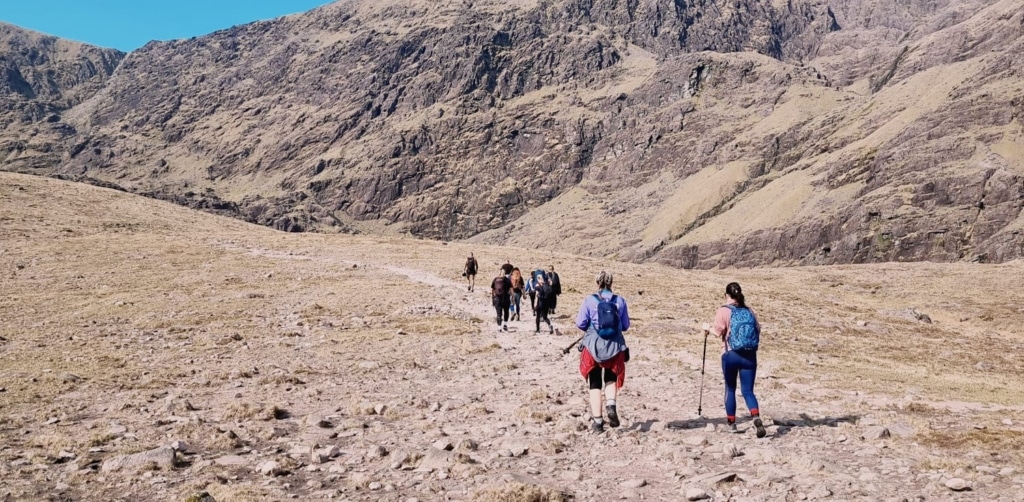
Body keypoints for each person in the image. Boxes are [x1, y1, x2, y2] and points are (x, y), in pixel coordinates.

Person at [708, 282, 766, 438]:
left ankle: (731, 423)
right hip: (749, 356)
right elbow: (758, 330)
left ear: (727, 295)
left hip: (730, 355)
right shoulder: (749, 311)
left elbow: (718, 332)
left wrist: (706, 329)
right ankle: (755, 416)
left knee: (730, 388)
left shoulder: (723, 310)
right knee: (748, 391)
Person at [576, 271, 630, 433]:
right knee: (611, 378)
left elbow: (580, 323)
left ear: (597, 283)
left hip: (593, 346)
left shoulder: (589, 300)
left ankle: (598, 422)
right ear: (611, 283)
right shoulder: (620, 301)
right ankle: (611, 404)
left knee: (594, 382)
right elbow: (626, 325)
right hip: (615, 346)